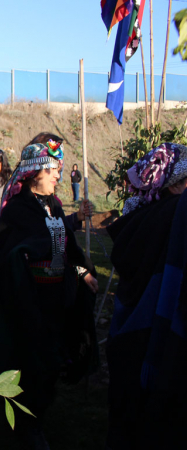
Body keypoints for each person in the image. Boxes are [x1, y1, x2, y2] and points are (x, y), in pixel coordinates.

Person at [0, 139, 98, 449]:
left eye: (59, 171)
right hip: (29, 304)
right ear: (35, 171)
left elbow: (63, 247)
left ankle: (38, 417)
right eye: (53, 170)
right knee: (31, 365)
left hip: (55, 303)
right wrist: (26, 256)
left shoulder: (54, 205)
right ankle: (27, 426)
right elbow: (10, 251)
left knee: (50, 363)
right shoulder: (18, 211)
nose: (58, 177)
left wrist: (82, 271)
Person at [105, 143, 187, 450]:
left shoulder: (137, 217)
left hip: (127, 331)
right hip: (155, 336)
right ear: (176, 185)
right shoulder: (173, 219)